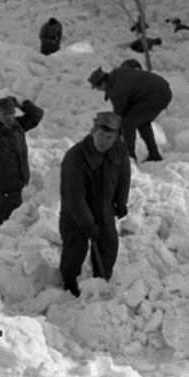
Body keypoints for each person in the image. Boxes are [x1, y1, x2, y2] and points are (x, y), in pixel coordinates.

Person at [58, 111, 131, 296]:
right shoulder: (75, 157)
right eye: (100, 135)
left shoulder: (120, 150)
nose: (104, 141)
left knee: (109, 246)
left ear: (116, 137)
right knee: (75, 250)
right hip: (75, 214)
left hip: (104, 209)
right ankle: (69, 283)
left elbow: (124, 176)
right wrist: (87, 223)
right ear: (93, 131)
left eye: (109, 137)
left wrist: (121, 201)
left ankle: (101, 281)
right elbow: (74, 196)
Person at [0, 96, 44, 227]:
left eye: (12, 113)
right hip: (4, 186)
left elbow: (37, 116)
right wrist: (1, 132)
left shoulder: (18, 125)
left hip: (18, 182)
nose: (10, 117)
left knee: (4, 219)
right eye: (5, 114)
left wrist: (22, 105)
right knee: (11, 222)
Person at [88, 63, 172, 161]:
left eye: (97, 87)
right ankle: (154, 154)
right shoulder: (117, 73)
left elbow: (120, 114)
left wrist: (110, 129)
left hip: (155, 96)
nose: (98, 90)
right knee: (142, 123)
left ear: (102, 83)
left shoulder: (115, 90)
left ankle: (129, 157)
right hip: (161, 90)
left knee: (128, 124)